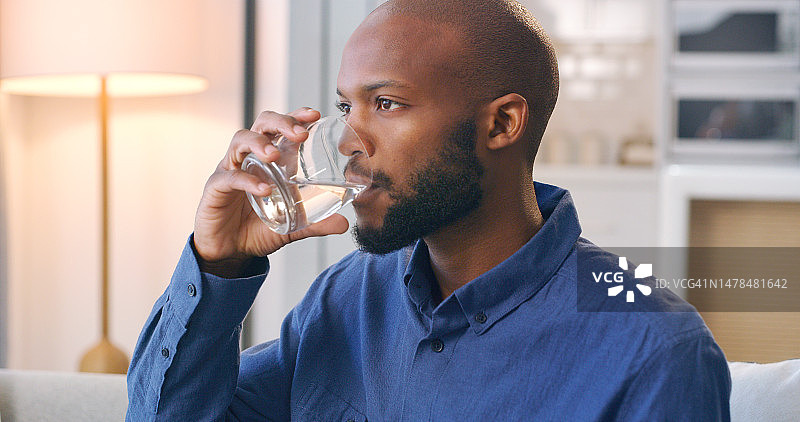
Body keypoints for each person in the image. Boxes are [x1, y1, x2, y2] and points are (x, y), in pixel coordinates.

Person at [126, 0, 731, 420]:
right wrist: (218, 266)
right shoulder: (348, 300)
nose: (345, 141)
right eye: (347, 105)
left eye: (386, 103)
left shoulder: (654, 347)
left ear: (501, 123)